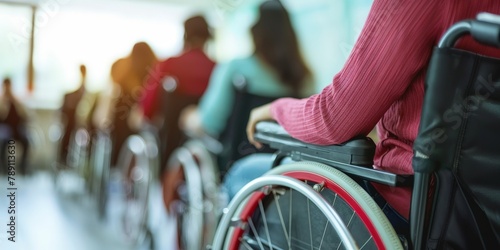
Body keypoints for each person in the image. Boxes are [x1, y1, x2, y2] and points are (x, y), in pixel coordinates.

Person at [235, 0, 500, 239]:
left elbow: (335, 117)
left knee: (241, 174)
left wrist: (276, 110)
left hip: (412, 208)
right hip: (484, 221)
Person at [139, 15, 215, 172]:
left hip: (169, 139)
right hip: (207, 136)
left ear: (185, 35)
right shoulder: (216, 68)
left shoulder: (168, 64)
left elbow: (148, 104)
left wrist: (147, 115)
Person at [107, 42, 158, 167]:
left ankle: (116, 167)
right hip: (145, 121)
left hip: (122, 123)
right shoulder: (153, 72)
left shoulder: (124, 72)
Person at [0, 78, 30, 175]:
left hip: (17, 129)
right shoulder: (1, 101)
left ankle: (23, 167)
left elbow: (26, 115)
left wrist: (15, 101)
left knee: (26, 142)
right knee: (3, 143)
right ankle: (4, 168)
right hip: (5, 130)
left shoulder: (17, 101)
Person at [59, 65, 87, 163]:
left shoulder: (84, 89)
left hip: (77, 119)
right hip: (71, 119)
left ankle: (64, 157)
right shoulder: (77, 89)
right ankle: (63, 157)